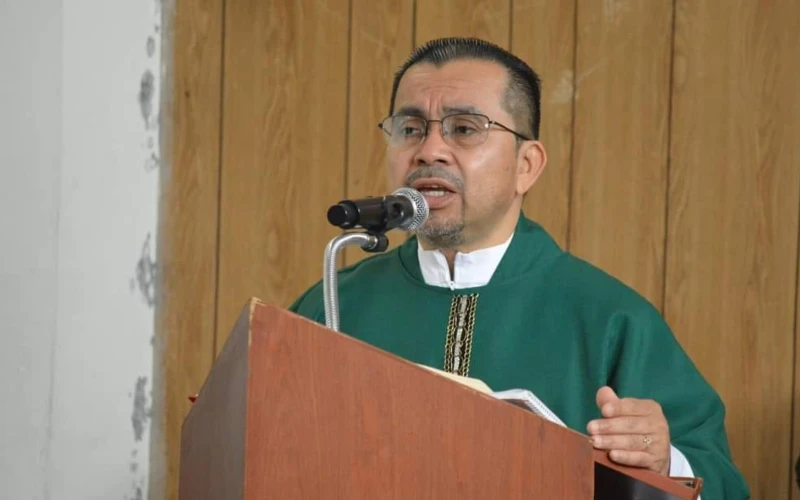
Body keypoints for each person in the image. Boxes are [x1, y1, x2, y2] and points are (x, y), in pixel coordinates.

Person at [289, 37, 749, 499]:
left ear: (526, 165)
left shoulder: (610, 319)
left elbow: (721, 482)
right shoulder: (332, 306)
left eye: (464, 128)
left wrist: (664, 462)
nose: (430, 150)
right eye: (410, 129)